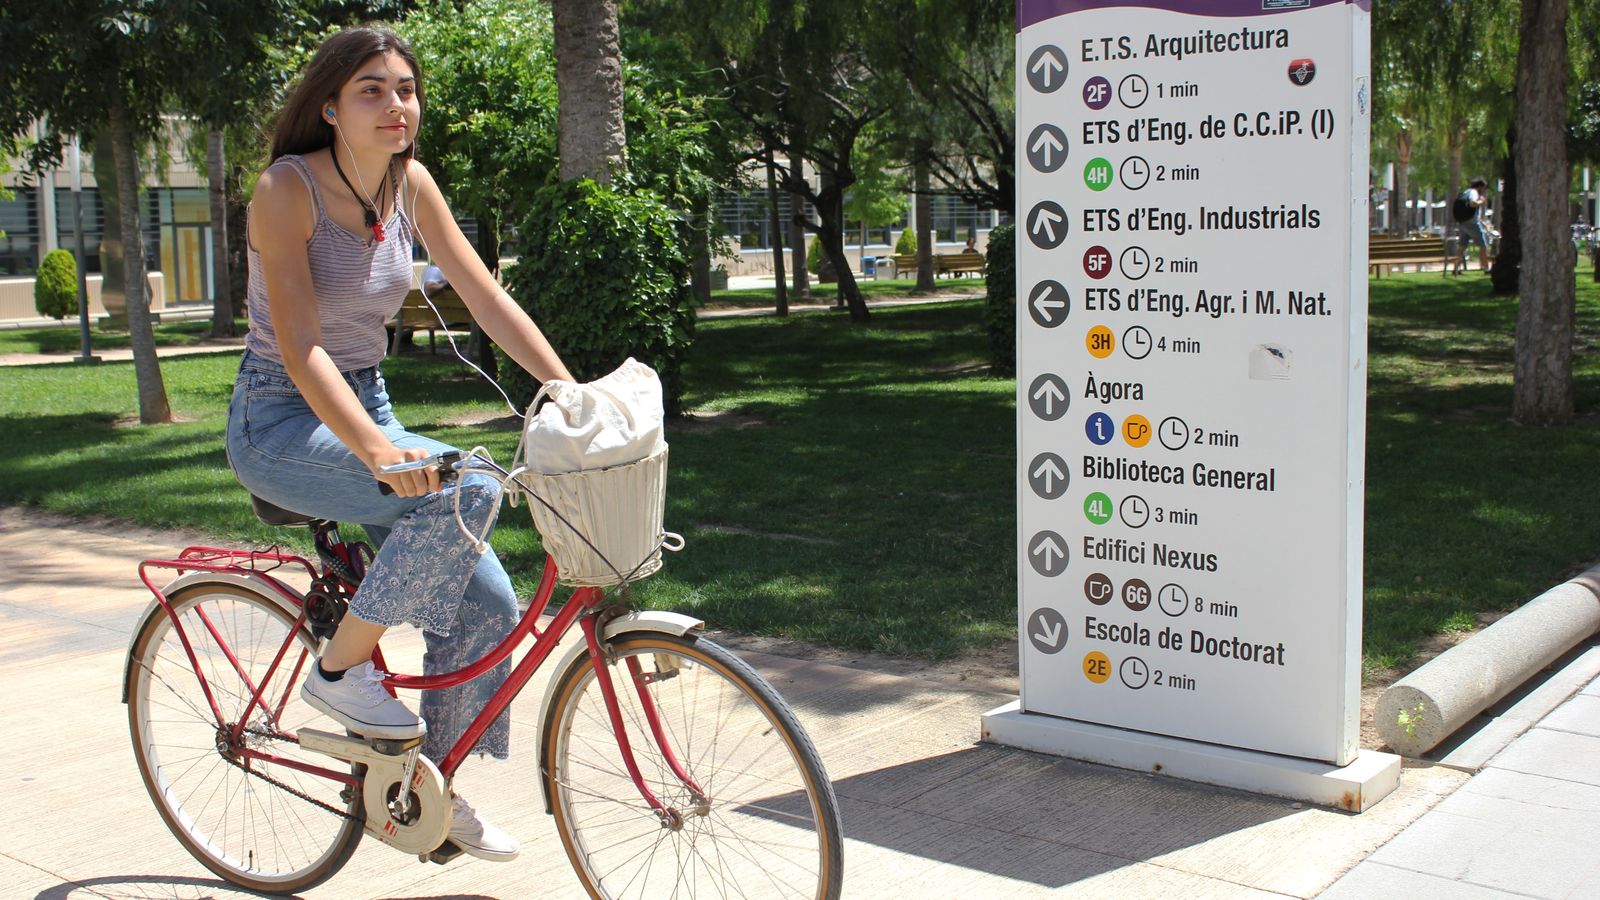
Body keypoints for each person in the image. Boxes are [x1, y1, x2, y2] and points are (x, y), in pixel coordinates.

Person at [224, 27, 574, 861]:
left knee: (487, 607)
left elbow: (485, 297)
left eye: (406, 89)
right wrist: (381, 455)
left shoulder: (410, 184)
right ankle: (340, 671)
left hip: (365, 408)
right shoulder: (286, 189)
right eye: (372, 89)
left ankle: (427, 794)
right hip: (278, 421)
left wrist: (567, 390)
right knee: (475, 487)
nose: (396, 104)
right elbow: (304, 349)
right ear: (331, 107)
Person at [1452, 178, 1493, 275]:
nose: (1483, 191)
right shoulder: (1474, 192)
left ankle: (1456, 268)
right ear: (1479, 187)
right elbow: (1473, 204)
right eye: (1483, 188)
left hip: (1463, 222)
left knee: (1462, 246)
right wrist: (1481, 201)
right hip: (1472, 224)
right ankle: (1486, 268)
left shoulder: (1465, 192)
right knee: (1483, 245)